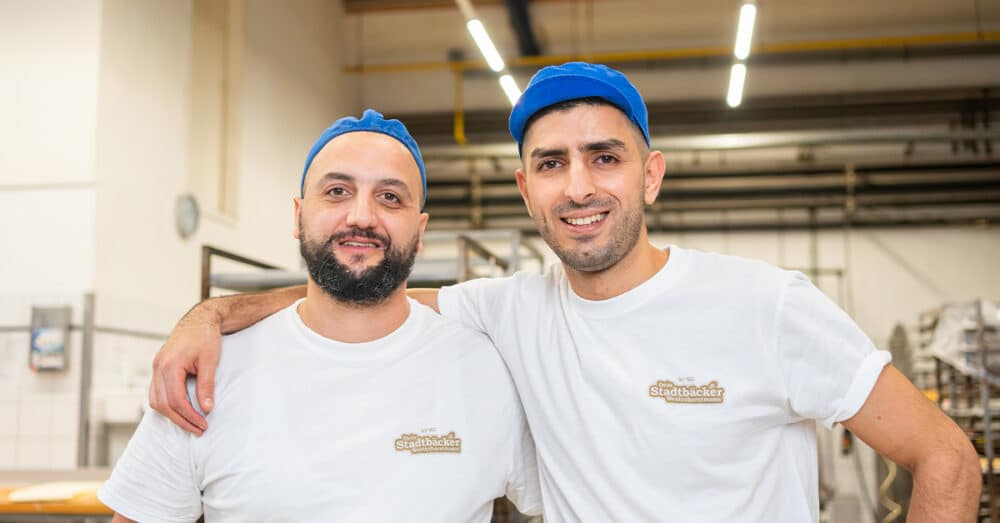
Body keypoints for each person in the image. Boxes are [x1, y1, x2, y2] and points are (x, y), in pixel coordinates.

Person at [149, 64, 981, 521]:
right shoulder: (507, 309)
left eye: (604, 156)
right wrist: (210, 315)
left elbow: (946, 456)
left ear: (650, 174)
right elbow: (359, 290)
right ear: (525, 187)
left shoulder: (765, 305)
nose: (579, 186)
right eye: (553, 163)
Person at [98, 110, 541, 522]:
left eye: (390, 197)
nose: (362, 216)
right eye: (337, 192)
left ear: (420, 231)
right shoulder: (206, 375)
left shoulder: (486, 371)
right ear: (299, 215)